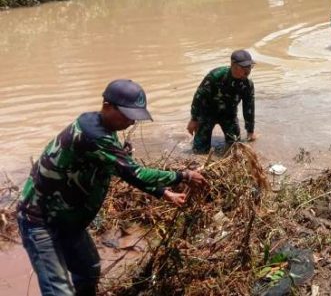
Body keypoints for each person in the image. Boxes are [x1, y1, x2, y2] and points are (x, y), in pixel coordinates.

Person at [16, 79, 207, 296]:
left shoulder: (105, 130)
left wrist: (163, 192)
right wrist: (183, 175)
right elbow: (135, 173)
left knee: (89, 271)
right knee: (58, 290)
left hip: (68, 220)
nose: (132, 123)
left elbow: (121, 171)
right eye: (128, 115)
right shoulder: (93, 136)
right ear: (108, 106)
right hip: (39, 220)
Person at [187, 49, 256, 153]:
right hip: (207, 113)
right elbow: (199, 96)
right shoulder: (216, 76)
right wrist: (194, 119)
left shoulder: (247, 85)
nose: (248, 71)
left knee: (235, 148)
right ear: (233, 65)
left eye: (249, 67)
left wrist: (250, 131)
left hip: (229, 115)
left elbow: (249, 107)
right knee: (199, 151)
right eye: (244, 68)